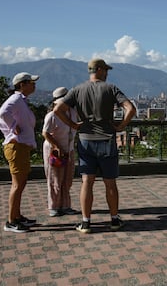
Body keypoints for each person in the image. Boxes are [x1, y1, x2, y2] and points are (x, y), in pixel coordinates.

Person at [54, 58, 136, 233]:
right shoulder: (111, 88)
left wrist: (73, 124)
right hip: (107, 140)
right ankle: (114, 220)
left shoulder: (77, 90)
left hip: (85, 140)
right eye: (105, 70)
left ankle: (86, 223)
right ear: (98, 70)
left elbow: (57, 110)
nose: (107, 73)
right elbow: (131, 109)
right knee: (110, 183)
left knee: (86, 182)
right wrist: (121, 125)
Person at [0, 72, 39, 233]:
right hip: (17, 146)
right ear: (22, 84)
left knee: (21, 183)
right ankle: (10, 221)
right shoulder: (15, 100)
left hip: (21, 146)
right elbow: (3, 113)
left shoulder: (21, 101)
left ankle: (17, 216)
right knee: (17, 184)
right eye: (31, 82)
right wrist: (13, 128)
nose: (34, 85)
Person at [42, 87, 78, 217]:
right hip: (54, 151)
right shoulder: (52, 115)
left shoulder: (73, 112)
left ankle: (65, 205)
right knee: (55, 179)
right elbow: (45, 133)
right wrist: (56, 146)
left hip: (69, 149)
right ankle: (54, 206)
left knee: (67, 178)